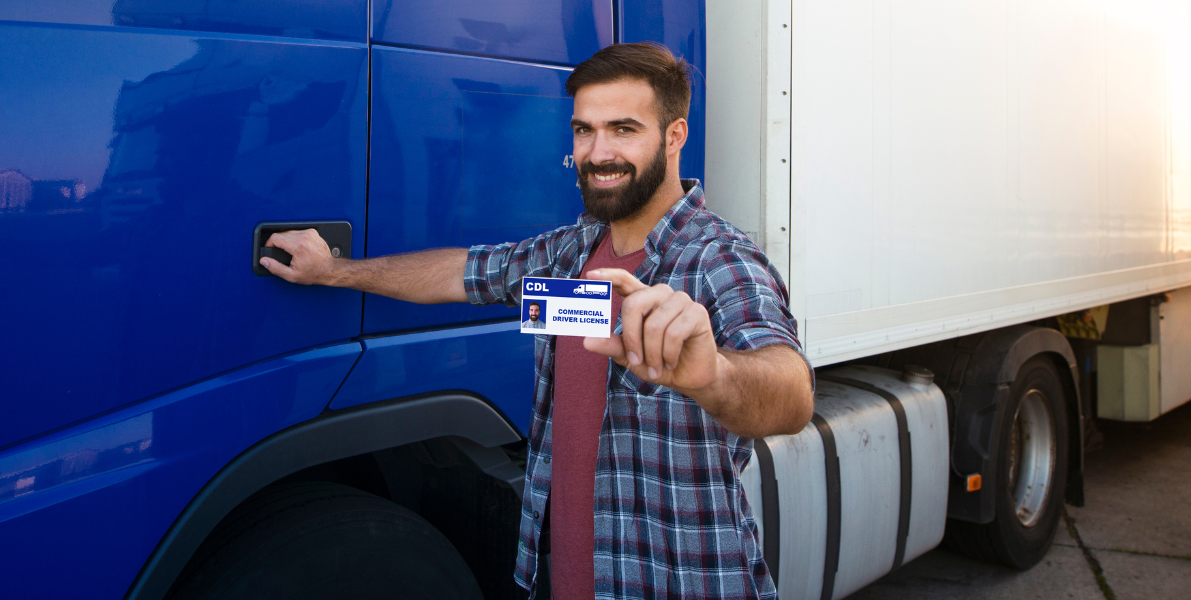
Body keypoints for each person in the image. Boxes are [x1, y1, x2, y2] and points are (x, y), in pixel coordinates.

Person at [260, 42, 812, 600]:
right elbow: (460, 273)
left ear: (674, 137)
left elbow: (792, 393)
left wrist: (714, 373)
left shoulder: (717, 259)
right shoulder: (570, 252)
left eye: (623, 129)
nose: (597, 153)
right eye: (584, 130)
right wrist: (334, 271)